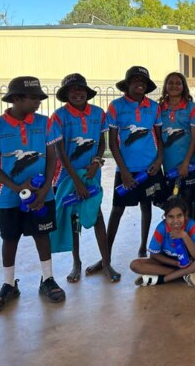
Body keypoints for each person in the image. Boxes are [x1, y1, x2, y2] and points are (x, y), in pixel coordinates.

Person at [0, 76, 65, 312]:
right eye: (33, 97)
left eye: (39, 97)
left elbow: (52, 159)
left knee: (42, 235)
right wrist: (18, 188)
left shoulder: (46, 123)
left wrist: (46, 189)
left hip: (42, 196)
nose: (38, 101)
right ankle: (8, 285)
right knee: (9, 238)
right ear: (16, 98)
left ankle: (47, 279)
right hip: (8, 198)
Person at [88, 67, 163, 278]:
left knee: (147, 207)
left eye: (143, 81)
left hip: (150, 168)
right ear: (127, 84)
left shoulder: (154, 107)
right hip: (126, 171)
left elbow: (159, 137)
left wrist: (159, 160)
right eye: (135, 80)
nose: (140, 84)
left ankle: (142, 248)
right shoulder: (116, 107)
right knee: (117, 209)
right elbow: (112, 142)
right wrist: (125, 170)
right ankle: (106, 257)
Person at [51, 73, 120, 283]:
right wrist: (77, 180)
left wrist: (97, 162)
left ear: (87, 92)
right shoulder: (59, 116)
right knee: (74, 219)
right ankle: (76, 263)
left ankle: (106, 262)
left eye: (81, 89)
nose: (78, 93)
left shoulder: (98, 114)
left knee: (96, 215)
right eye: (73, 90)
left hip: (92, 174)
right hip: (67, 176)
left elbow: (101, 142)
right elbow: (60, 152)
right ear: (66, 94)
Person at [130, 196, 195, 287]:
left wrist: (184, 236)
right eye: (170, 216)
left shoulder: (191, 225)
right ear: (165, 217)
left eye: (179, 215)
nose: (175, 221)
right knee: (135, 265)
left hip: (189, 262)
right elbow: (154, 255)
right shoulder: (161, 228)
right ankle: (185, 274)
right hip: (167, 262)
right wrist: (175, 263)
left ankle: (162, 279)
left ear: (185, 215)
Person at [158, 72, 195, 218]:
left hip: (189, 165)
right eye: (170, 83)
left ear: (184, 87)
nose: (174, 86)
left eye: (178, 83)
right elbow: (158, 137)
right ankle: (175, 237)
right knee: (173, 204)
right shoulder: (159, 108)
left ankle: (189, 238)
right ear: (165, 86)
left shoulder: (191, 108)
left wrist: (185, 163)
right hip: (169, 165)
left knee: (188, 203)